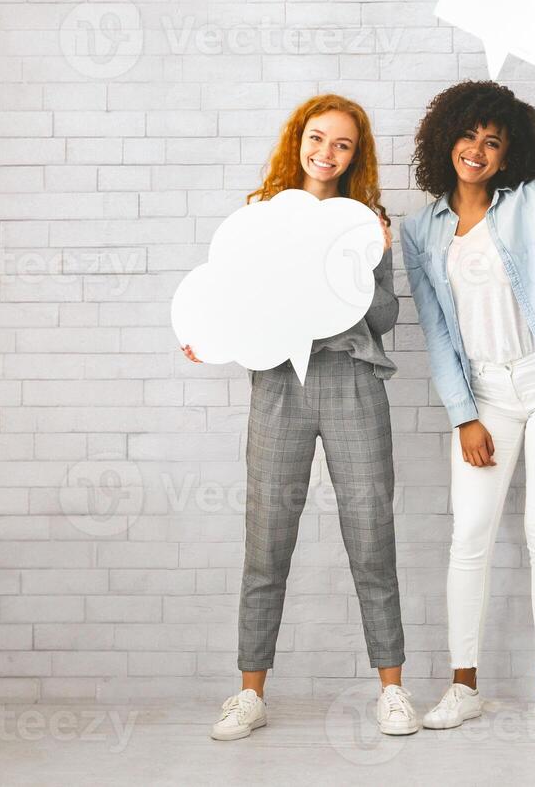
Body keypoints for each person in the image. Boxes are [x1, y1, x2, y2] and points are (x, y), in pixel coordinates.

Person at [186, 94, 414, 740]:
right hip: (279, 386)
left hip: (351, 382)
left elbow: (386, 319)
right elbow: (231, 299)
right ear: (298, 141)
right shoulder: (259, 217)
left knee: (372, 540)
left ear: (355, 156)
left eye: (342, 144)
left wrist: (370, 259)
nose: (327, 152)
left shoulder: (367, 222)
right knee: (266, 544)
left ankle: (392, 691)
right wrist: (203, 333)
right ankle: (250, 694)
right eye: (318, 138)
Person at [401, 40, 535, 733]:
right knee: (471, 534)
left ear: (509, 153)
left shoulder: (528, 205)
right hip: (485, 396)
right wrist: (464, 415)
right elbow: (435, 331)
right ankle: (463, 685)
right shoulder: (420, 230)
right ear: (446, 140)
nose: (478, 149)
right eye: (468, 135)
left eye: (493, 141)